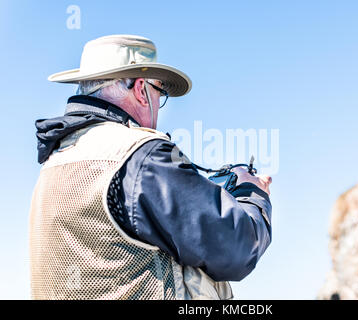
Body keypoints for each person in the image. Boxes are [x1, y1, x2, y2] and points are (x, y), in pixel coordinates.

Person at [29, 34, 272, 300]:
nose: (159, 104)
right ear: (141, 89)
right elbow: (237, 249)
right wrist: (251, 192)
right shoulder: (143, 155)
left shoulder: (53, 164)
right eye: (160, 92)